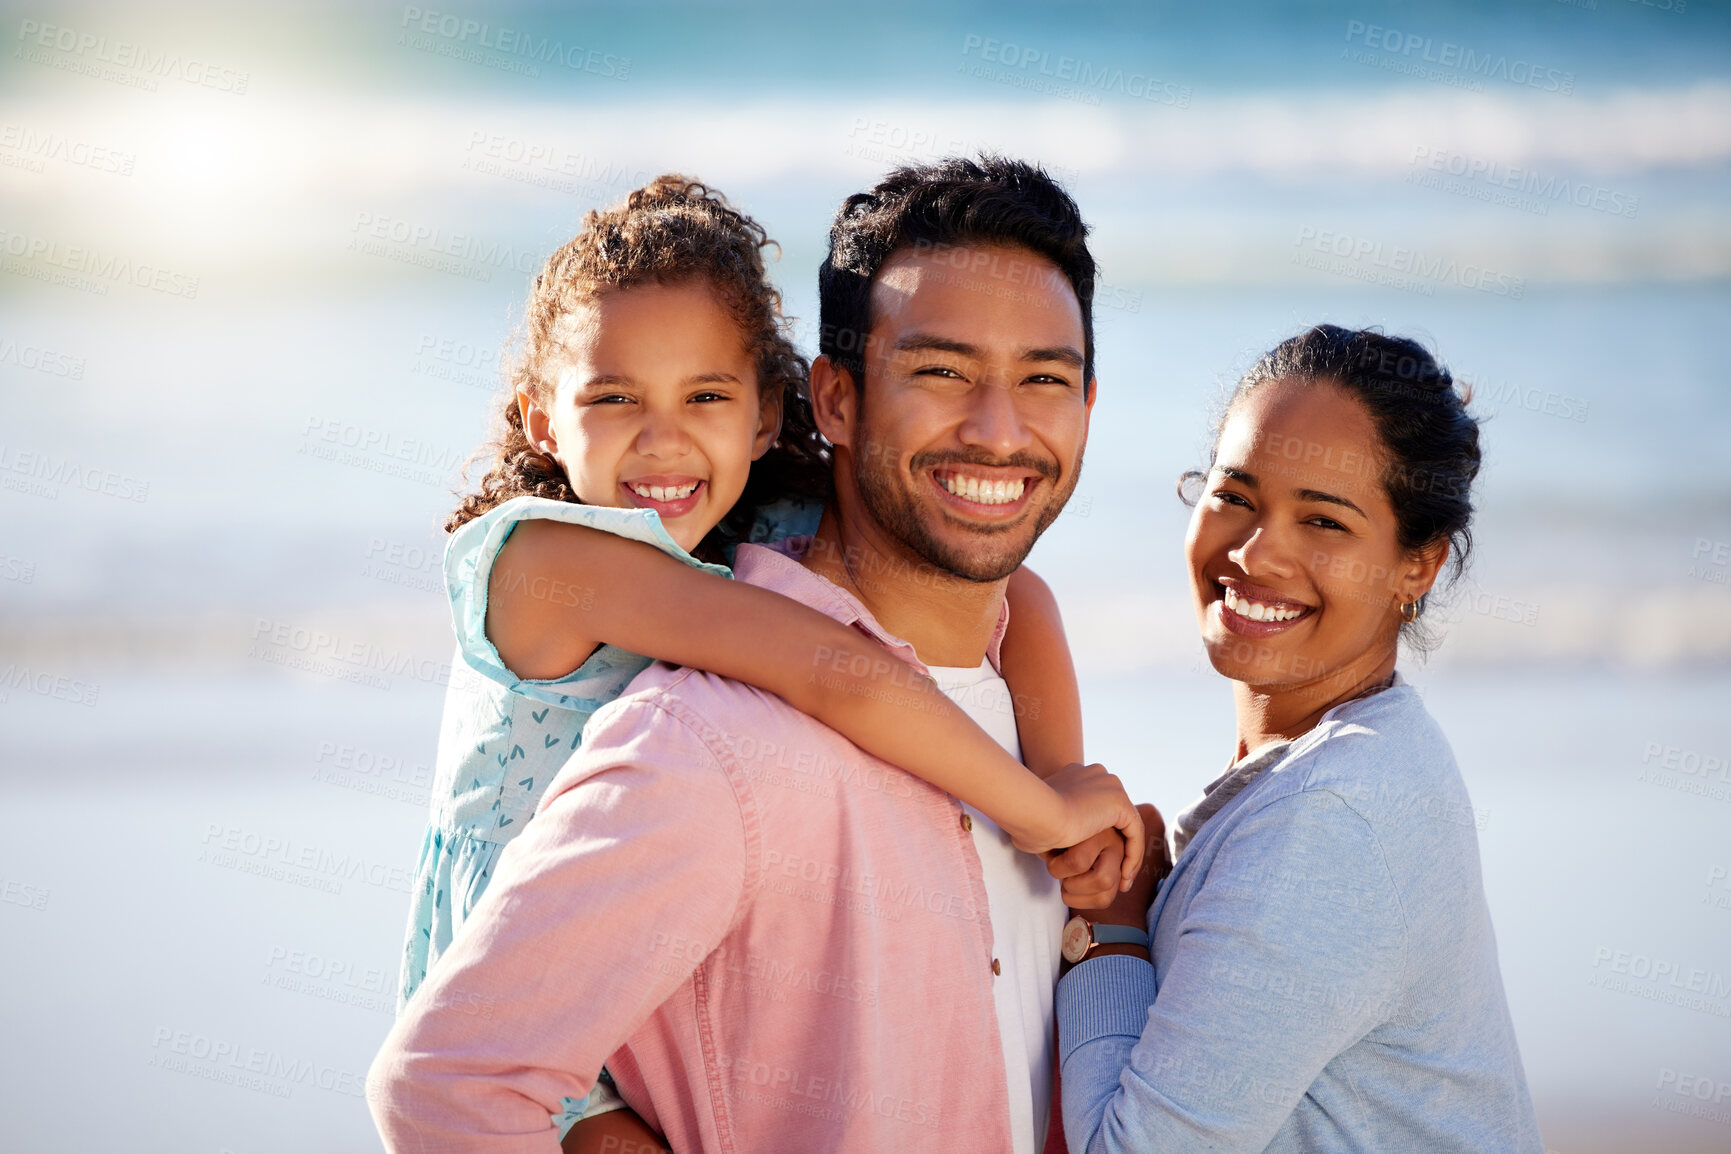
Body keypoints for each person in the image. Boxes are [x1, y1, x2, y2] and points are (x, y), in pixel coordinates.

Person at [392, 172, 1143, 1142]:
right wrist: (1041, 808)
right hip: (517, 962)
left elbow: (1018, 595)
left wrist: (1064, 783)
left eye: (706, 393)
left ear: (763, 413)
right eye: (615, 396)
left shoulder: (750, 523)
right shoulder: (557, 569)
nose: (665, 438)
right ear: (543, 418)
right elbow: (827, 665)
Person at [1057, 325, 1543, 1152]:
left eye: (1322, 522)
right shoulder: (1362, 754)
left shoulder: (1332, 816)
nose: (1254, 553)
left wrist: (1109, 931)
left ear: (1416, 565)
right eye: (1234, 497)